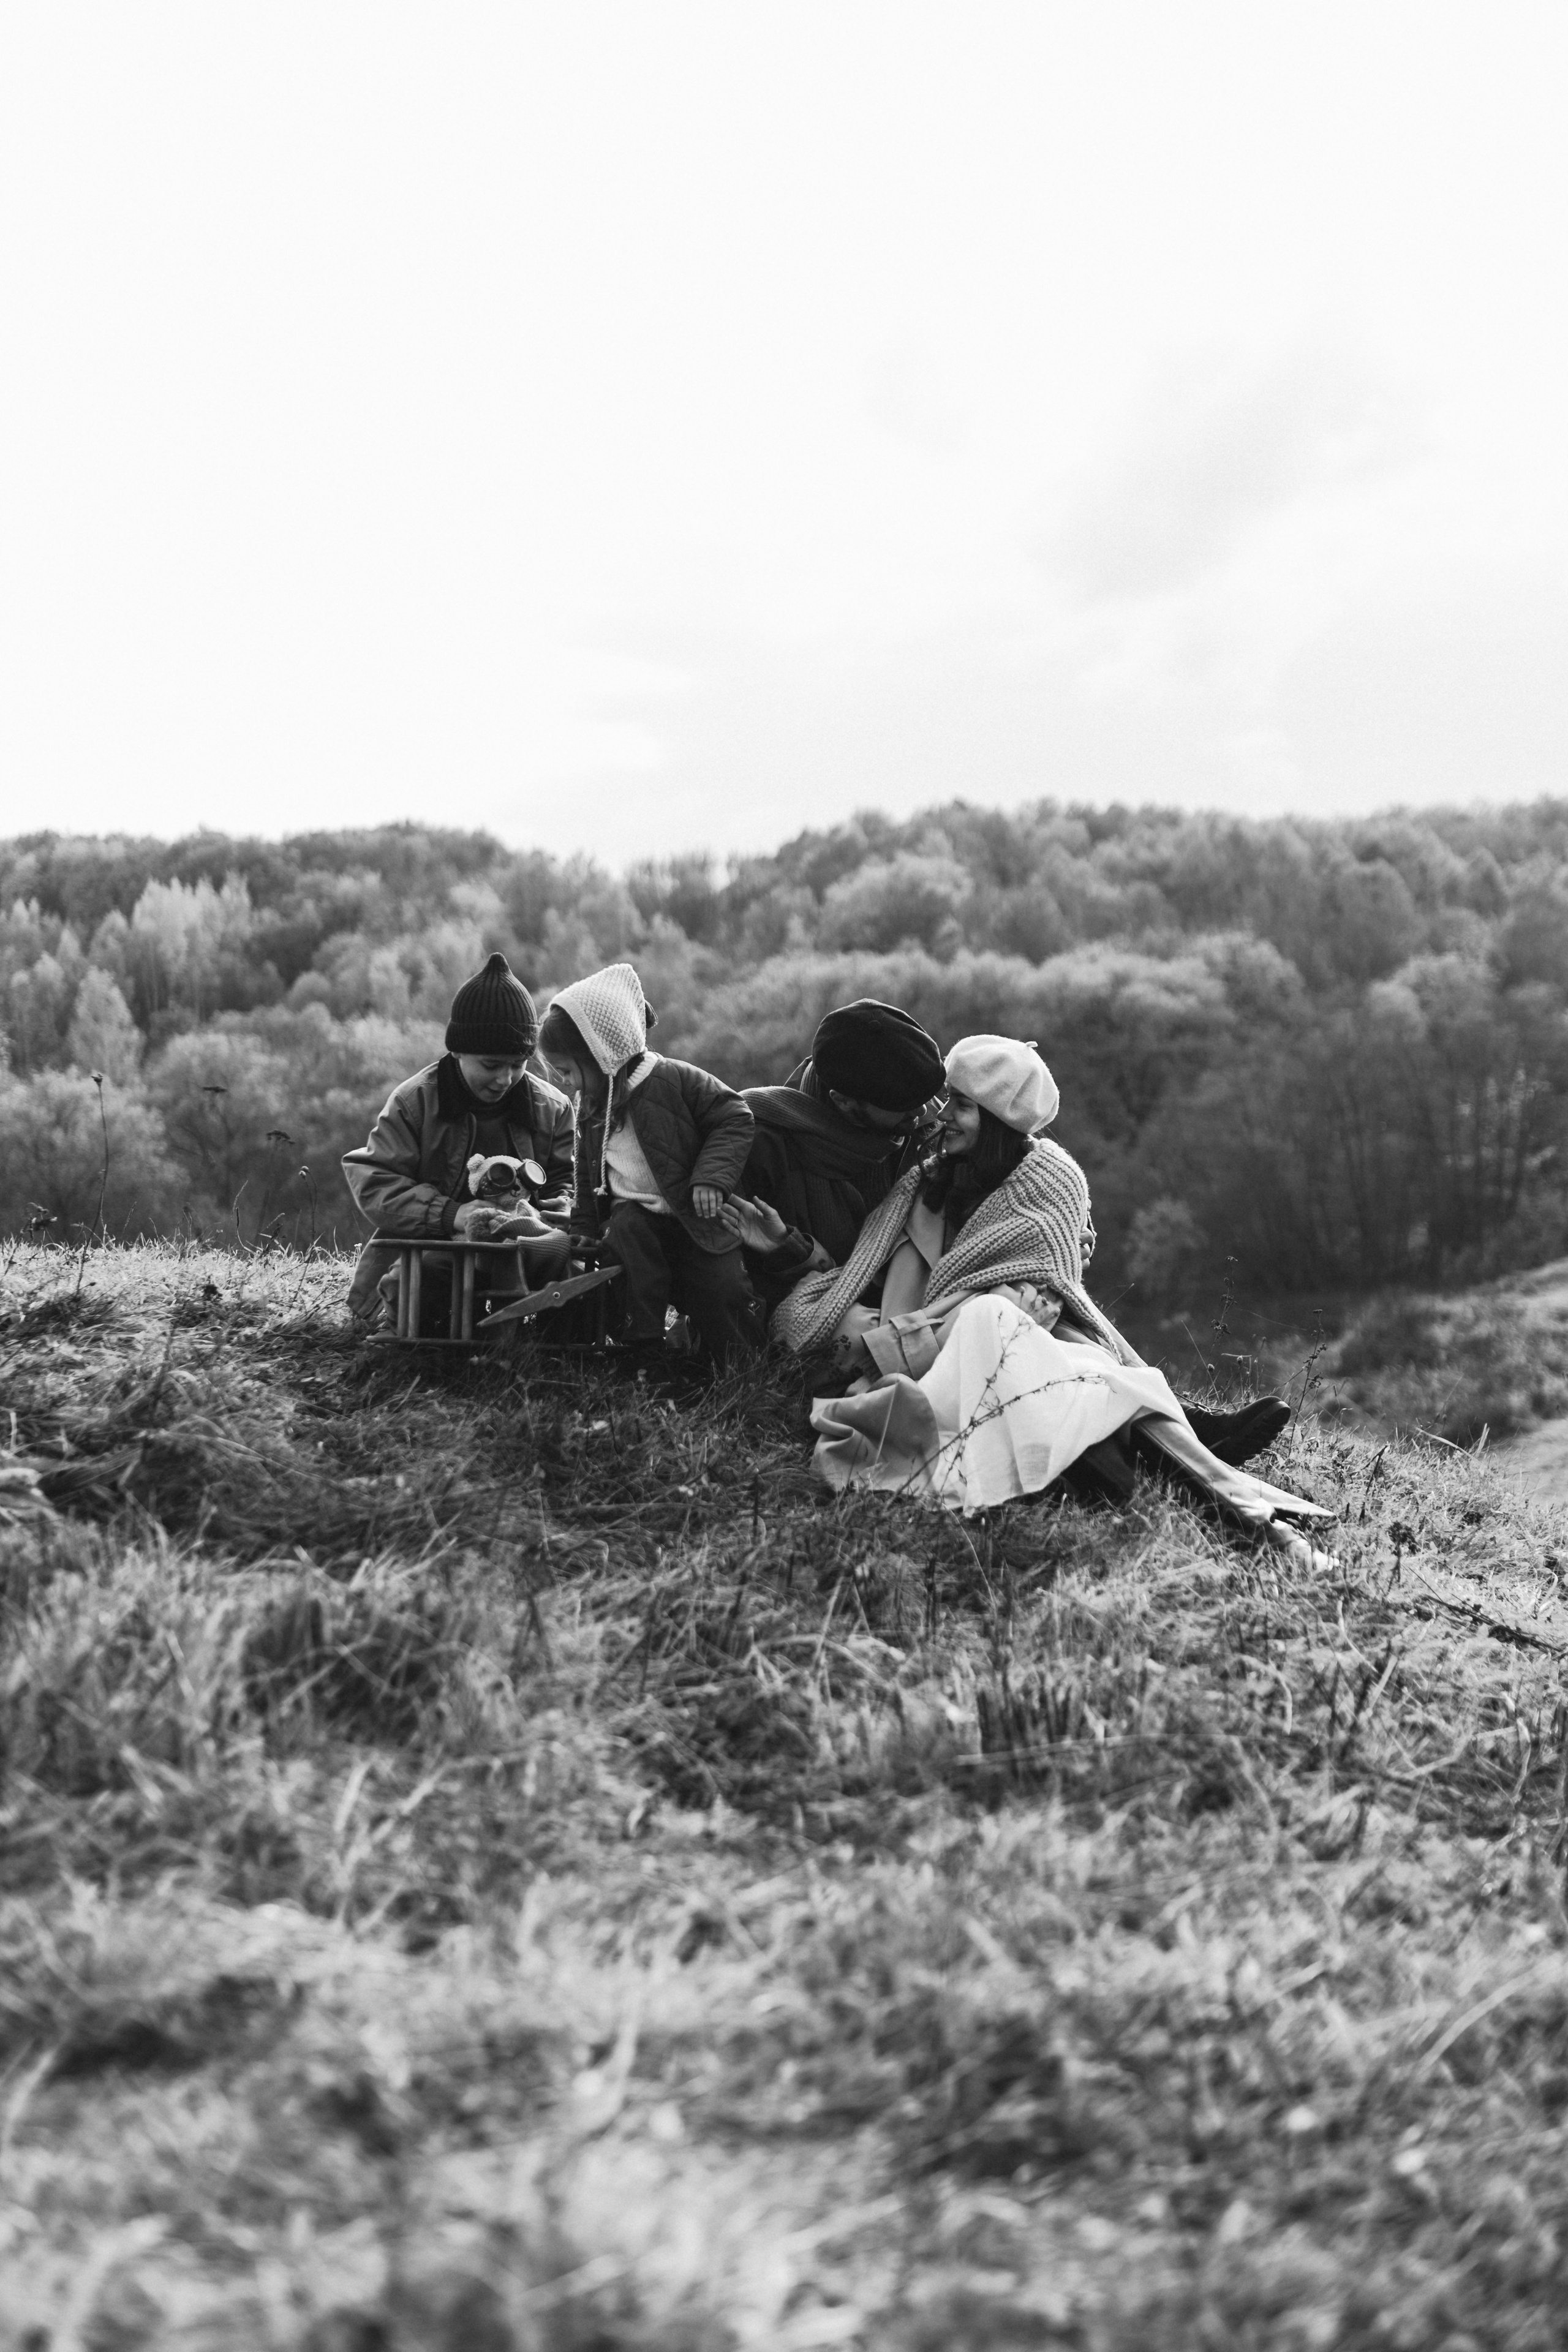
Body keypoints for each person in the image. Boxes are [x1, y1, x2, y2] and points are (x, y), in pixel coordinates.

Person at [760, 1035, 1331, 1565]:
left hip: (1025, 1347)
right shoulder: (924, 1181)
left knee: (1074, 1369)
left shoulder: (1048, 1180)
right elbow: (873, 1275)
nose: (941, 1116)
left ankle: (1259, 1525)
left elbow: (1051, 1290)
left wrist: (1004, 1307)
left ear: (998, 1119)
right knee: (1027, 1343)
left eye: (960, 1105)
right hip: (940, 1357)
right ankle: (1233, 1502)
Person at [536, 963, 758, 1369]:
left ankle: (737, 1370)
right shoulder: (592, 1107)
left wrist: (711, 1178)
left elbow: (735, 1117)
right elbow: (588, 1176)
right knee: (628, 1250)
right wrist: (584, 1227)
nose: (566, 1083)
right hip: (637, 1220)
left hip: (697, 1216)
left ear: (602, 1052)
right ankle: (644, 1353)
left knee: (722, 1290)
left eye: (567, 1070)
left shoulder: (674, 1079)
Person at [342, 951, 574, 1325]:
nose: (505, 1079)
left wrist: (536, 1218)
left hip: (526, 1247)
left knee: (579, 1281)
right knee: (417, 1302)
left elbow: (567, 1184)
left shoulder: (554, 1108)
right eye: (491, 1065)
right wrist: (451, 1215)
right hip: (436, 1250)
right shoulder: (413, 1102)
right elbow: (374, 1182)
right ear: (458, 1049)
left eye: (518, 1065)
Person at [733, 998, 944, 1310]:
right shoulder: (760, 1146)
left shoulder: (928, 1130)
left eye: (923, 1097)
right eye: (900, 1104)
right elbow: (747, 1287)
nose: (922, 1110)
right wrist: (793, 1250)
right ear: (843, 1101)